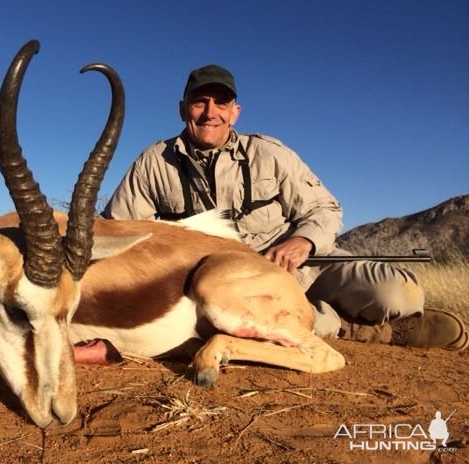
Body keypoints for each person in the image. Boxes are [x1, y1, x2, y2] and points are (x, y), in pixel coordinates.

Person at [102, 64, 467, 351]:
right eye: (199, 102)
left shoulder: (269, 153)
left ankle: (337, 318)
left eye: (221, 103)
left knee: (399, 294)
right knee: (232, 321)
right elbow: (118, 227)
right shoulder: (153, 162)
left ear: (235, 112)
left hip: (304, 268)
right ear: (184, 108)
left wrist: (304, 242)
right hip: (233, 284)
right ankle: (355, 330)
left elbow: (325, 208)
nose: (210, 112)